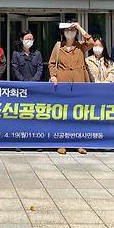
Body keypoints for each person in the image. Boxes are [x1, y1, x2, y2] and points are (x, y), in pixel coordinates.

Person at [49, 20, 94, 155]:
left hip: (79, 83)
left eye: (72, 30)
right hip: (63, 83)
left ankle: (78, 143)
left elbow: (91, 42)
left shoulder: (80, 46)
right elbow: (51, 63)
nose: (70, 32)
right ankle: (62, 143)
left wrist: (79, 27)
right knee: (63, 114)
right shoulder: (58, 47)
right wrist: (54, 75)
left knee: (78, 114)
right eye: (67, 30)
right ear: (63, 32)